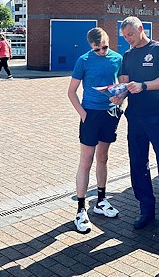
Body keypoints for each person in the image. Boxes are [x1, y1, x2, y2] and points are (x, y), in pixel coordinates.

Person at [114, 16, 159, 235]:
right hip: (134, 117)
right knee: (138, 164)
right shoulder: (127, 55)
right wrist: (119, 94)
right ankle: (146, 210)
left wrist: (143, 85)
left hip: (156, 116)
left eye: (131, 35)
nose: (128, 40)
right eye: (125, 37)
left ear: (141, 29)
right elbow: (124, 83)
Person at [67, 27, 124, 234]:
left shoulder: (117, 58)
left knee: (103, 158)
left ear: (109, 40)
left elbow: (123, 85)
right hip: (90, 114)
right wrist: (83, 114)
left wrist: (120, 98)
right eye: (97, 49)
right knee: (86, 161)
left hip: (109, 115)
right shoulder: (83, 60)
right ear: (91, 46)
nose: (101, 51)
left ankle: (101, 201)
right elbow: (71, 92)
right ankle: (81, 210)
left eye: (104, 47)